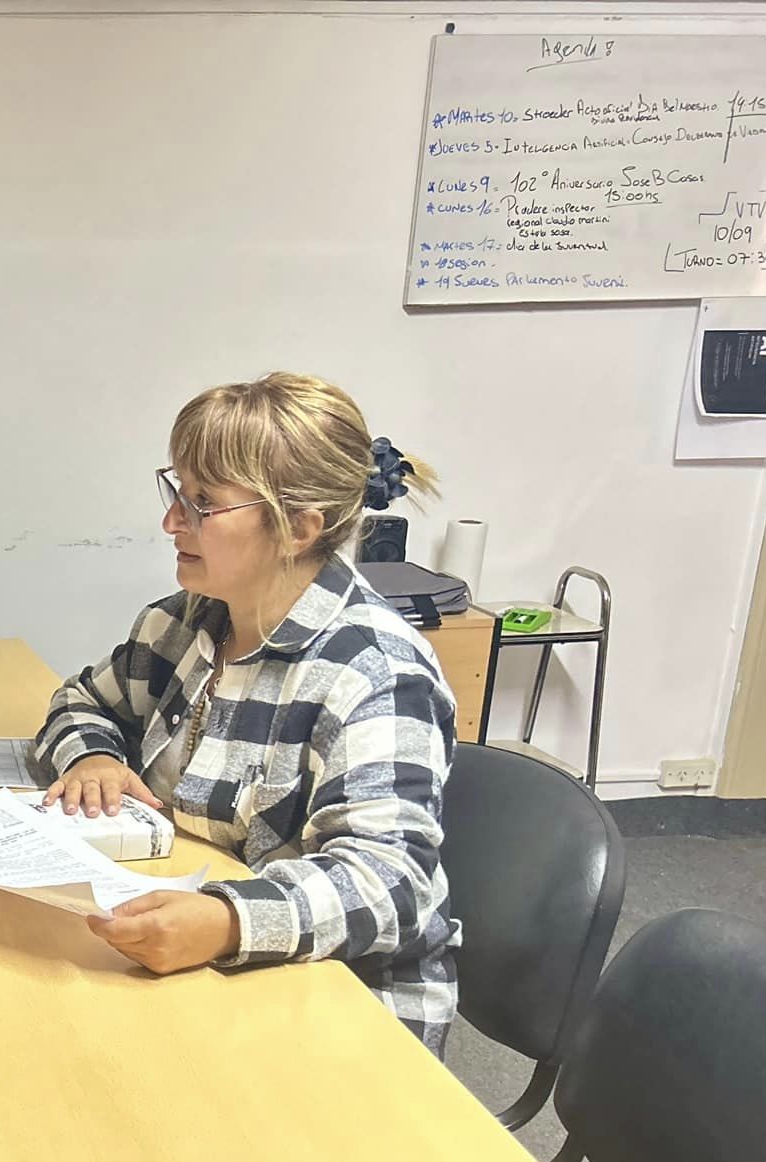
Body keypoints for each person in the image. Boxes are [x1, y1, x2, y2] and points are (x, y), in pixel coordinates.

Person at [36, 372, 459, 1047]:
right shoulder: (185, 623)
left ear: (299, 527)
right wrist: (94, 755)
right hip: (197, 963)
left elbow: (389, 883)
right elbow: (83, 700)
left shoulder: (375, 675)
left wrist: (229, 922)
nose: (172, 521)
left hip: (340, 1007)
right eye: (177, 492)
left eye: (203, 503)